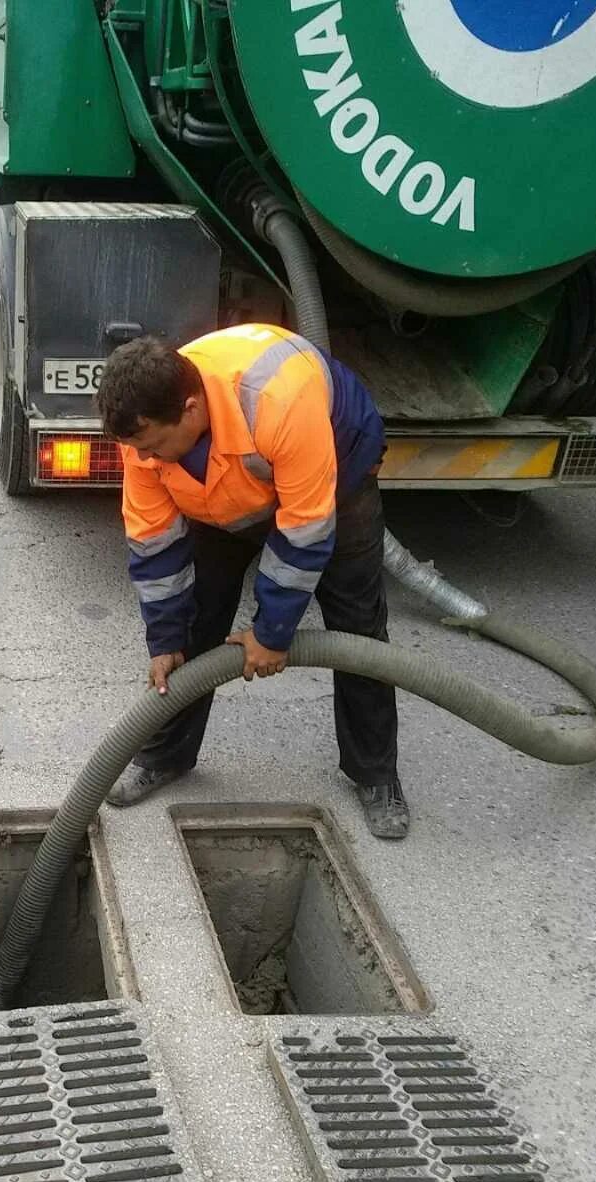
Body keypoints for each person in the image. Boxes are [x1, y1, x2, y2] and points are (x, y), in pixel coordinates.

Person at [97, 327, 409, 839]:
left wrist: (272, 633)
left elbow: (305, 529)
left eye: (153, 447)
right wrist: (164, 639)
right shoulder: (146, 434)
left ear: (192, 409)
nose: (146, 460)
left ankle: (374, 774)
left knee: (357, 625)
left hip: (334, 476)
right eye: (140, 449)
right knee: (196, 619)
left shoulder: (278, 399)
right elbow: (153, 545)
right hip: (226, 490)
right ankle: (168, 757)